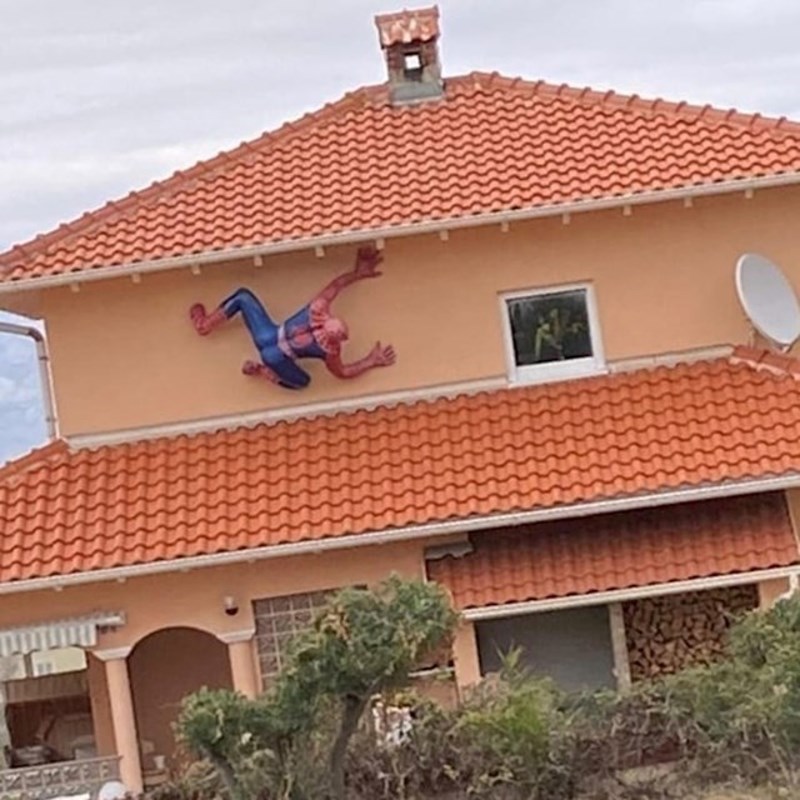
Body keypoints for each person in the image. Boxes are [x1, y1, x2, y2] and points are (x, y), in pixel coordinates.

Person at [189, 246, 396, 389]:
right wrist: (371, 361)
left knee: (243, 297)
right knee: (303, 382)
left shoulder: (316, 310)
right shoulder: (329, 348)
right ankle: (262, 370)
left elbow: (336, 286)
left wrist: (357, 274)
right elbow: (343, 372)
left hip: (269, 336)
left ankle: (206, 325)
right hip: (276, 357)